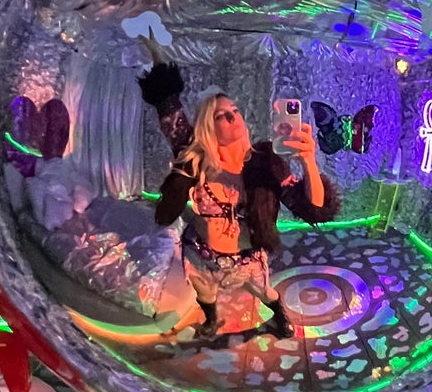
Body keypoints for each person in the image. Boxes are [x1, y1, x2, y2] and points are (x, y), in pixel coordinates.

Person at [138, 63, 339, 342]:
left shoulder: (265, 163)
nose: (233, 117)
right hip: (201, 255)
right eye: (221, 115)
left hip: (247, 261)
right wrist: (159, 68)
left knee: (266, 293)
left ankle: (279, 316)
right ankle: (212, 319)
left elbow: (313, 207)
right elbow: (170, 113)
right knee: (205, 294)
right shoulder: (195, 160)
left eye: (235, 111)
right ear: (208, 127)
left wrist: (309, 161)